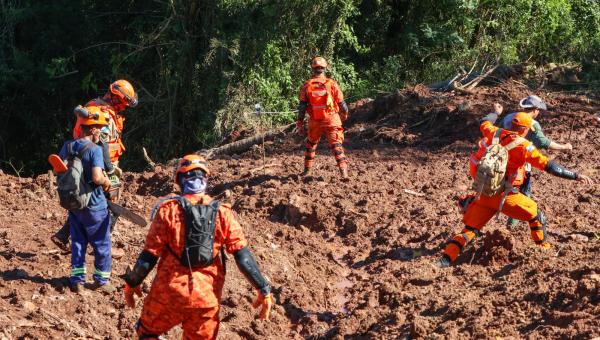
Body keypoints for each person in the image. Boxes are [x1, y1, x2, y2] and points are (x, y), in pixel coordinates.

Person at [123, 154, 273, 339]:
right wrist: (263, 290)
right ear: (206, 178)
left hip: (168, 295)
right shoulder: (223, 213)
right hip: (206, 299)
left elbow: (149, 256)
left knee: (147, 333)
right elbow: (243, 257)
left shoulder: (167, 210)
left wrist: (131, 284)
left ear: (179, 180)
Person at [438, 111, 593, 267]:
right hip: (507, 198)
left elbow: (484, 120)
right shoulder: (524, 146)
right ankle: (544, 249)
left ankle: (444, 261)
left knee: (470, 229)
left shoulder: (493, 132)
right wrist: (575, 175)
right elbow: (550, 167)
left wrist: (496, 112)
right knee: (537, 215)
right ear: (525, 130)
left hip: (484, 194)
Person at [52, 80, 138, 250]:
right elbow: (102, 145)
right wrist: (110, 171)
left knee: (88, 200)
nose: (125, 107)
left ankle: (63, 235)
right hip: (97, 163)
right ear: (117, 99)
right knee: (112, 198)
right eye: (124, 103)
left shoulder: (97, 108)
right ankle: (103, 241)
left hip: (91, 160)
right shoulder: (102, 114)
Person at [494, 97, 573, 228]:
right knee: (523, 193)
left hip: (501, 160)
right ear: (535, 110)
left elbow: (497, 133)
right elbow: (543, 143)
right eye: (539, 110)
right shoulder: (532, 124)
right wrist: (564, 146)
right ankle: (511, 226)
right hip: (520, 165)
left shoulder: (509, 117)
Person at [57, 113, 114, 293]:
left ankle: (77, 280)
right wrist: (107, 182)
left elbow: (56, 169)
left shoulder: (68, 146)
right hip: (94, 204)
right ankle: (101, 280)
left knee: (78, 242)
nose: (102, 133)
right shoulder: (94, 149)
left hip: (74, 203)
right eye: (101, 130)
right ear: (94, 129)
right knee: (101, 243)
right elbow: (97, 177)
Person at [296, 56, 350, 179]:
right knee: (336, 145)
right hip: (331, 119)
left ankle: (307, 171)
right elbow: (342, 103)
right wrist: (345, 114)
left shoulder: (307, 85)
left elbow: (302, 107)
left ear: (313, 69)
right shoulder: (331, 83)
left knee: (311, 144)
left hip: (315, 120)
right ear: (325, 68)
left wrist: (299, 122)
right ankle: (344, 173)